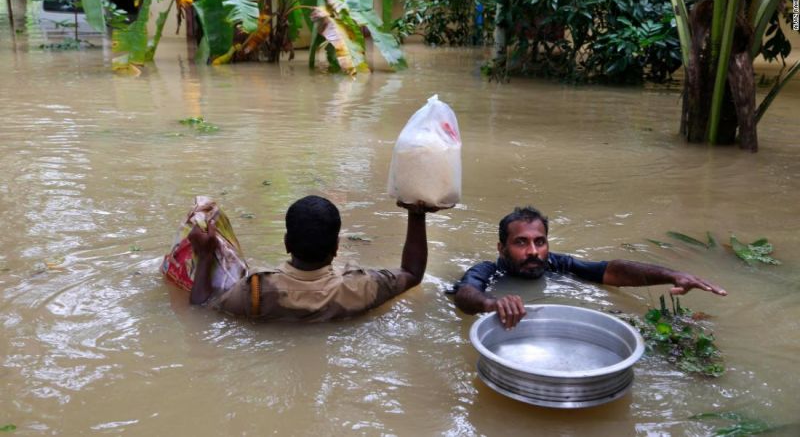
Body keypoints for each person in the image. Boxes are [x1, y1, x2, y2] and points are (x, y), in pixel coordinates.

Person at [451, 206, 727, 329]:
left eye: (540, 242)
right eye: (521, 242)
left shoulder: (557, 264)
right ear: (502, 248)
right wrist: (492, 303)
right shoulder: (488, 271)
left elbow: (611, 271)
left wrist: (672, 275)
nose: (533, 251)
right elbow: (465, 294)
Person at [188, 195, 441, 321]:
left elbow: (200, 309)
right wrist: (416, 214)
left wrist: (205, 256)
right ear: (336, 247)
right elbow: (412, 273)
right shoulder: (361, 287)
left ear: (286, 243)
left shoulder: (254, 291)